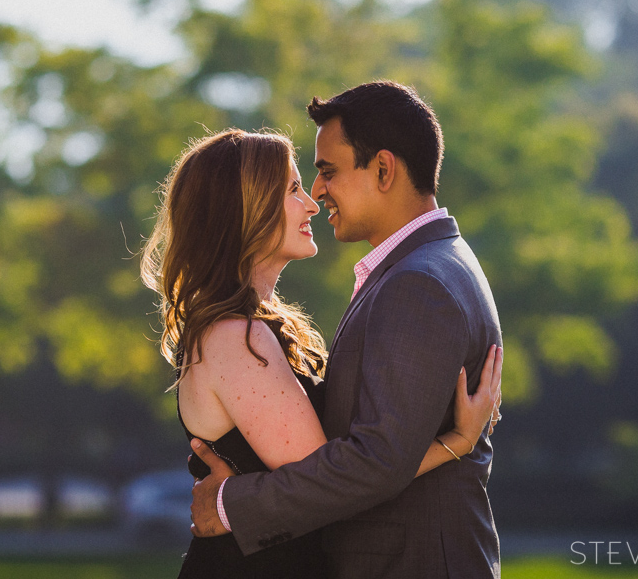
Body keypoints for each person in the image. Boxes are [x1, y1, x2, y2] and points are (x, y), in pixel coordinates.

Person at [141, 127, 501, 578]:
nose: (312, 203)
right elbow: (331, 482)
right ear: (244, 210)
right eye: (292, 189)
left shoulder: (261, 327)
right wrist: (456, 442)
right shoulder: (232, 337)